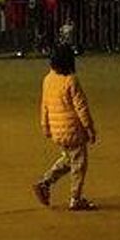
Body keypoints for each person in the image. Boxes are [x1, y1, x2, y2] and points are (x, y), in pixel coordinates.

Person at [34, 44, 97, 211]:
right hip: (73, 130)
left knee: (69, 160)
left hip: (57, 130)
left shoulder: (48, 79)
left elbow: (44, 105)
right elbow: (81, 107)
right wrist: (90, 129)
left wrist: (45, 126)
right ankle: (76, 198)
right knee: (79, 164)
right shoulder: (71, 80)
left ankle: (45, 182)